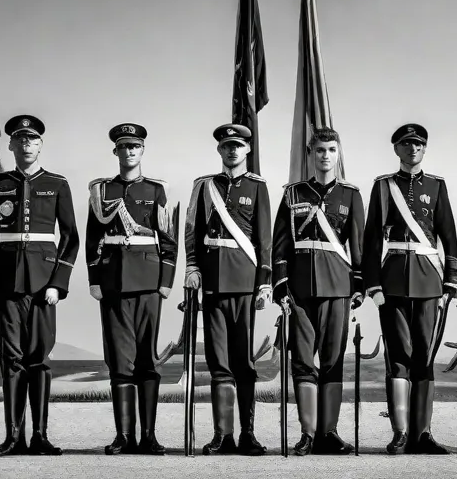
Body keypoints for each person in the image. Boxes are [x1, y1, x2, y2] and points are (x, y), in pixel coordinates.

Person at [0, 114, 79, 457]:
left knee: (39, 359)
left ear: (40, 144)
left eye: (32, 139)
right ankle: (13, 437)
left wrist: (58, 284)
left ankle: (40, 436)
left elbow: (71, 238)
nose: (26, 144)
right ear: (11, 145)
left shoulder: (57, 183)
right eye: (19, 139)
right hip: (7, 283)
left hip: (42, 285)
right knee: (11, 359)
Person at [363, 123, 457, 454]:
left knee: (425, 356)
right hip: (391, 281)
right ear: (397, 150)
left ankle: (424, 434)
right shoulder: (383, 186)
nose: (413, 149)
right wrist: (372, 283)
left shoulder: (437, 186)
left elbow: (448, 235)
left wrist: (451, 279)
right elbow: (372, 237)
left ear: (424, 149)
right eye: (406, 144)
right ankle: (400, 432)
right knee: (398, 356)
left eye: (418, 144)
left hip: (430, 280)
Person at [272, 128, 365, 456]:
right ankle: (308, 433)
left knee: (333, 362)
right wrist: (280, 284)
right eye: (319, 150)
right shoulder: (293, 194)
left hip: (337, 287)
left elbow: (358, 244)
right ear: (310, 154)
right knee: (301, 362)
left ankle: (329, 432)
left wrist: (359, 284)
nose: (325, 155)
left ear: (338, 154)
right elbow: (280, 242)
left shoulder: (351, 195)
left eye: (331, 150)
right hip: (299, 290)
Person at [86, 123, 178, 455]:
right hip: (113, 283)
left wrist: (166, 282)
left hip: (149, 284)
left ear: (142, 151)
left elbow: (168, 240)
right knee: (118, 361)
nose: (129, 152)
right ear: (116, 152)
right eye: (123, 147)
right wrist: (94, 279)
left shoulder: (156, 191)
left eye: (134, 147)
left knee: (147, 361)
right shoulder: (102, 191)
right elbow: (93, 238)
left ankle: (149, 436)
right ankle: (124, 435)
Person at [183, 123, 272, 456]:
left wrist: (264, 284)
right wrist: (192, 268)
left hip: (246, 283)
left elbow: (264, 239)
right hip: (213, 283)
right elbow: (192, 230)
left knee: (244, 362)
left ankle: (247, 434)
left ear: (247, 150)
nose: (232, 150)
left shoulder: (258, 187)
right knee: (218, 361)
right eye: (226, 145)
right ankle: (223, 435)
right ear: (219, 150)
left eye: (238, 145)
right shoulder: (204, 187)